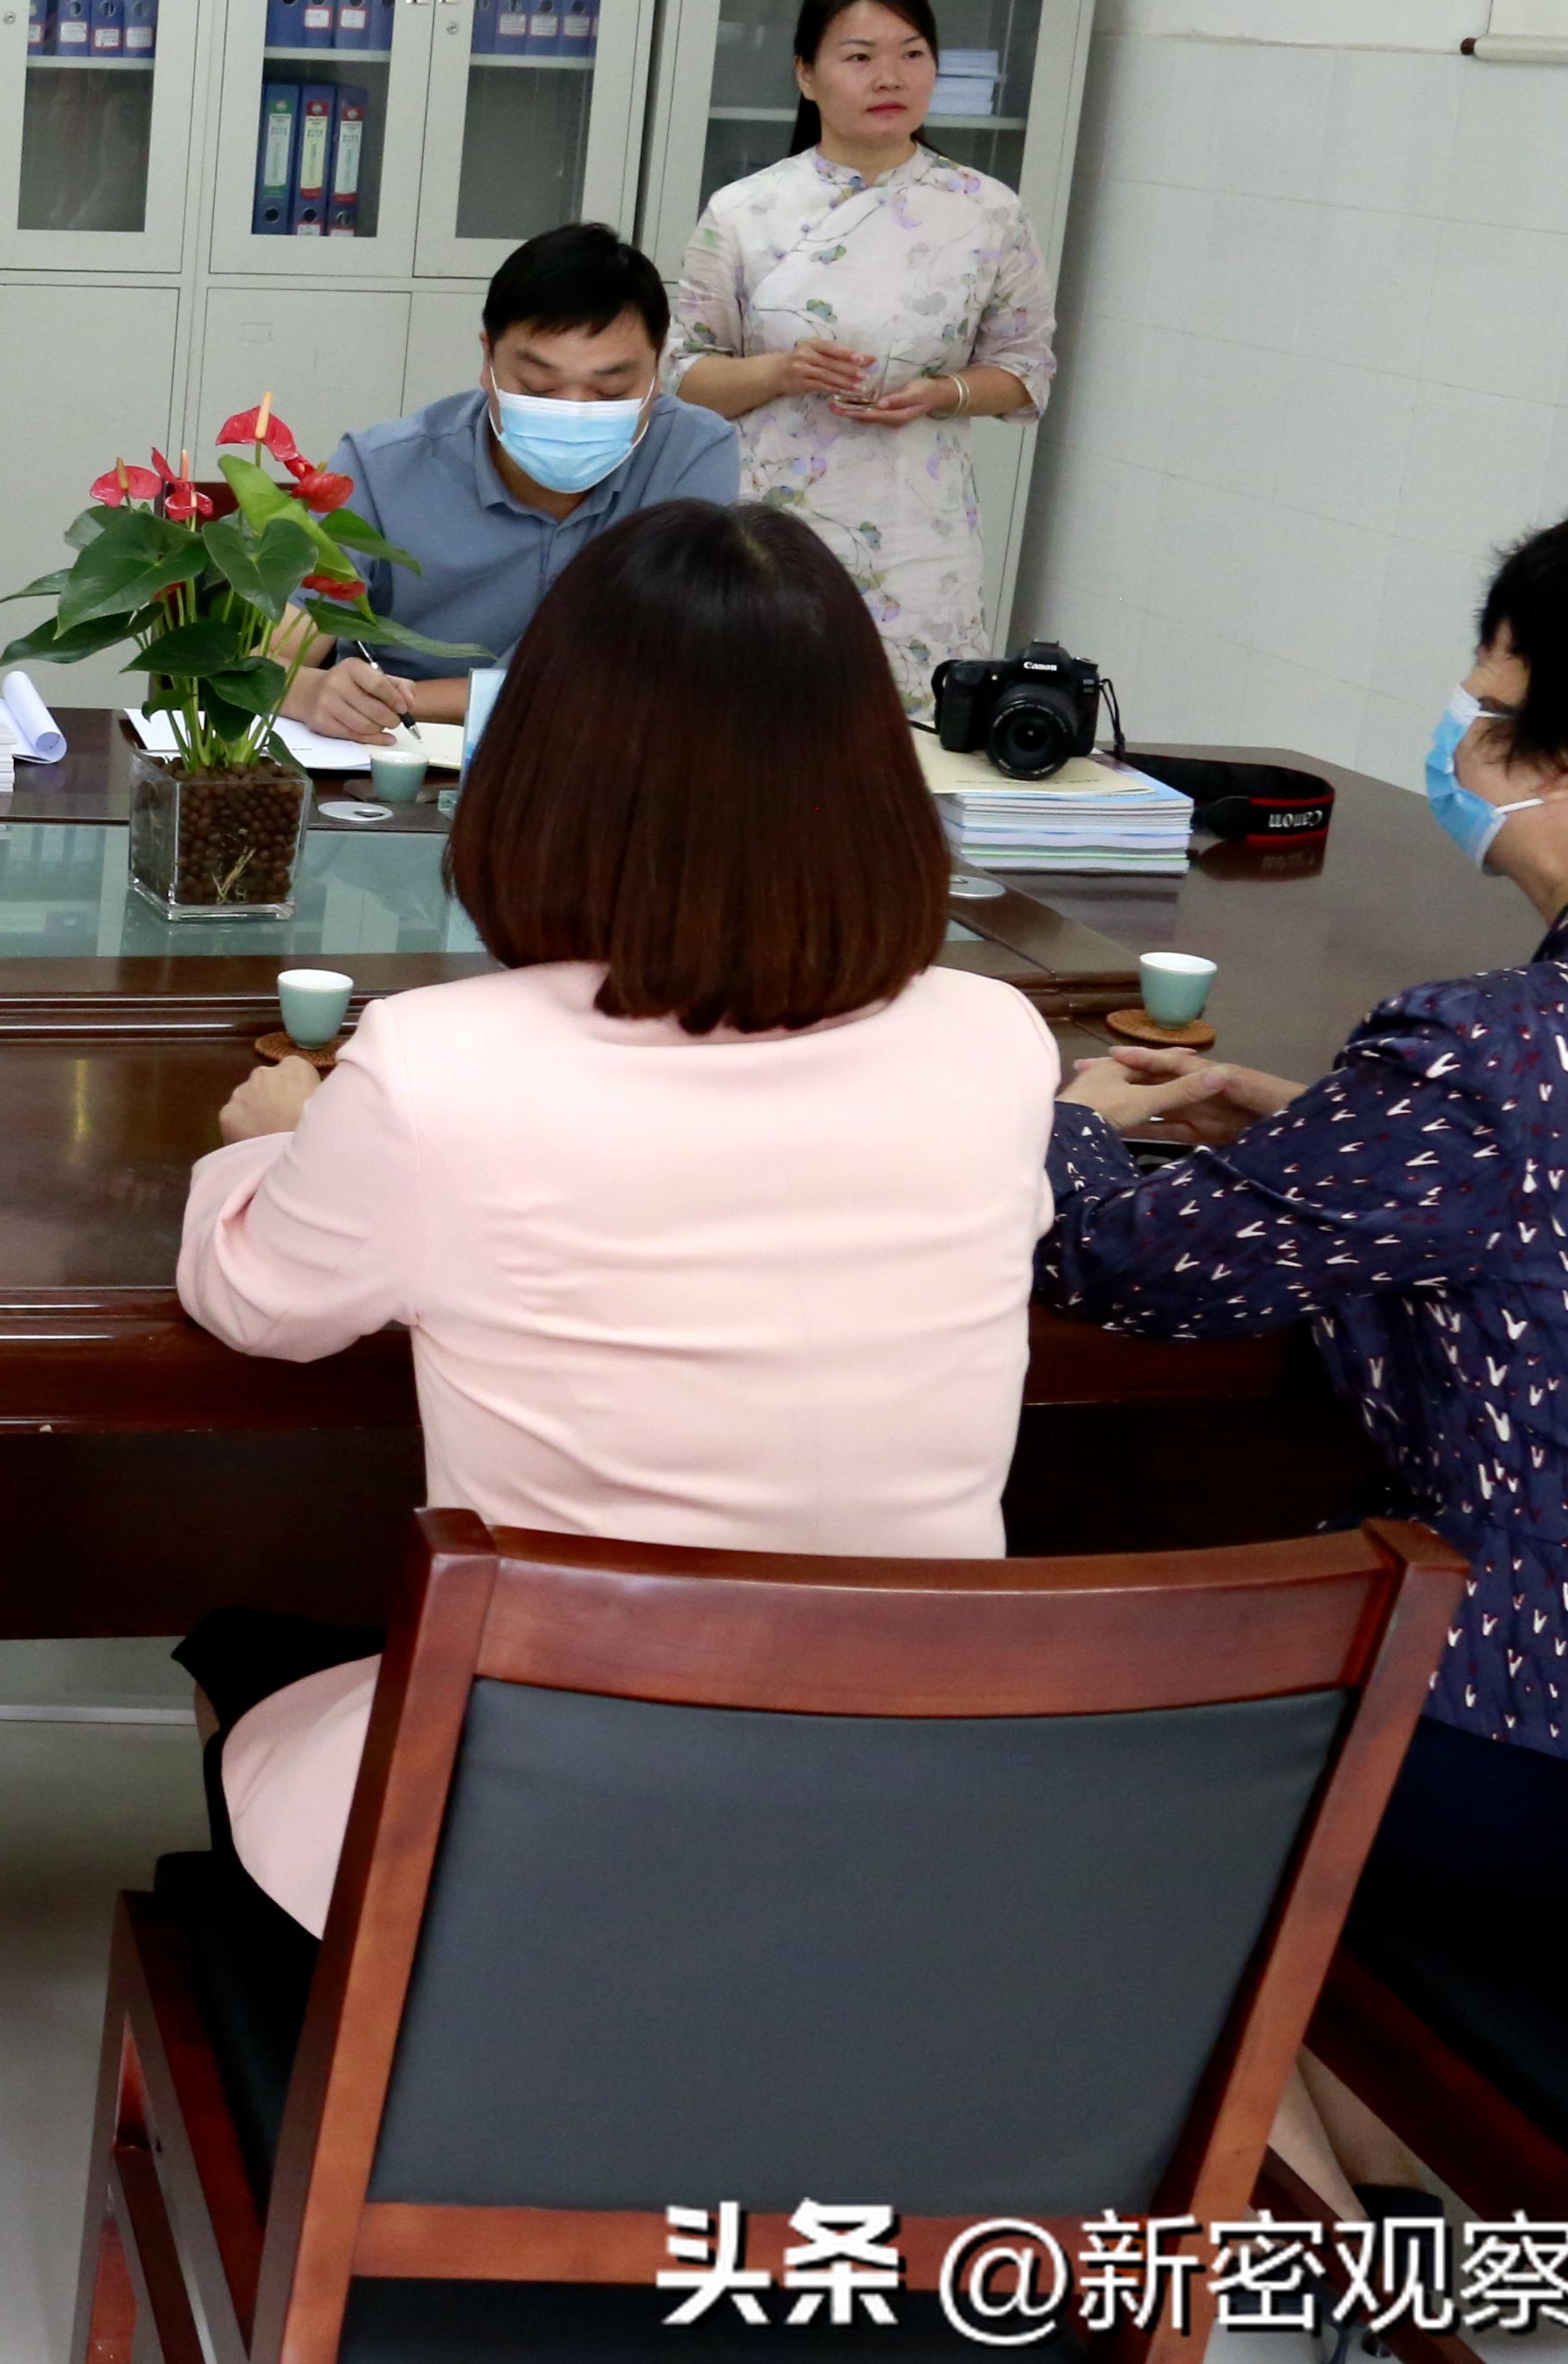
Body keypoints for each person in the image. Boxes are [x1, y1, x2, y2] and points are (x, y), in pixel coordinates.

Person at [181, 501, 1053, 1931]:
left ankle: (384, 2100)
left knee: (254, 1663)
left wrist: (267, 1144)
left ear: (547, 773)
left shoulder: (441, 1064)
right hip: (910, 1795)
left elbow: (256, 1304)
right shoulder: (996, 1037)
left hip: (547, 1837)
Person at [1046, 498, 1568, 1920]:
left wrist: (1074, 1126)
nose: (1459, 739)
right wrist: (1327, 1134)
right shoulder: (1538, 1067)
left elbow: (1124, 1264)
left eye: (1489, 706)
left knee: (1058, 1779)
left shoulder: (1496, 1053)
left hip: (1515, 1734)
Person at [666, 0, 1057, 710]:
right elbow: (685, 375)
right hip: (770, 526)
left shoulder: (986, 212)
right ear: (806, 77)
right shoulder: (745, 210)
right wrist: (781, 372)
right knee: (755, 716)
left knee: (907, 736)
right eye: (859, 57)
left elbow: (1026, 368)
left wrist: (943, 393)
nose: (890, 77)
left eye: (912, 54)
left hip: (919, 527)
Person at [275, 220, 740, 747]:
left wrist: (403, 700)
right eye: (538, 385)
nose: (572, 412)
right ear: (487, 359)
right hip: (398, 770)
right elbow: (270, 657)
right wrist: (313, 693)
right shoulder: (381, 470)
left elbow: (652, 668)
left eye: (611, 391)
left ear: (658, 371)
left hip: (606, 765)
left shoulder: (691, 455)